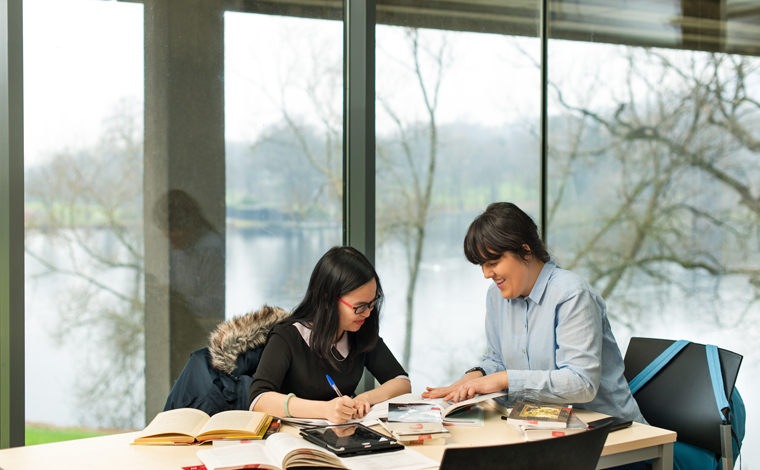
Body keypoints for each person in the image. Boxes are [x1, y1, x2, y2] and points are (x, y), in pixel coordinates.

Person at [423, 202, 645, 425]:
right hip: (545, 428)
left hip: (613, 434)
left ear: (525, 251)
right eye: (482, 265)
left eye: (493, 262)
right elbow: (496, 360)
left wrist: (504, 379)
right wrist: (471, 379)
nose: (486, 274)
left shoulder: (572, 295)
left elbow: (581, 383)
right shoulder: (496, 296)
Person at [248, 246, 411, 424]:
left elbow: (402, 382)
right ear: (327, 301)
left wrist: (364, 399)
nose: (367, 314)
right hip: (294, 439)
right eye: (360, 307)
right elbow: (258, 400)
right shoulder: (288, 336)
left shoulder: (359, 331)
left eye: (372, 303)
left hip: (342, 434)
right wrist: (325, 410)